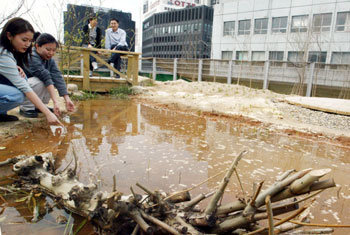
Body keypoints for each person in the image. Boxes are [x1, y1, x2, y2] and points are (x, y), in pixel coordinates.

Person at [0, 17, 61, 126]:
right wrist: (47, 113)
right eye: (24, 40)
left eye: (30, 41)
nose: (28, 44)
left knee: (22, 77)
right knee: (18, 95)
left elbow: (56, 75)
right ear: (9, 36)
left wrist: (15, 67)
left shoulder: (10, 53)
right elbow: (24, 87)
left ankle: (1, 113)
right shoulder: (3, 54)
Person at [19, 33, 75, 118]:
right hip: (21, 87)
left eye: (54, 50)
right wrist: (56, 102)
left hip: (32, 86)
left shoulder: (49, 60)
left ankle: (40, 106)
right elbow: (45, 76)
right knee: (41, 81)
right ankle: (26, 108)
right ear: (37, 46)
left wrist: (67, 99)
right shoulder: (31, 56)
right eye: (48, 49)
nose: (51, 53)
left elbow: (57, 76)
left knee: (51, 80)